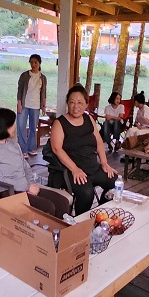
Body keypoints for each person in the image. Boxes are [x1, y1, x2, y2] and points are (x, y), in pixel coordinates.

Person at [0, 108, 72, 218]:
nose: (15, 127)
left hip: (26, 187)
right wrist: (27, 187)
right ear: (3, 127)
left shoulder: (14, 145)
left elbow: (26, 167)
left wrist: (31, 184)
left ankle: (61, 229)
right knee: (48, 207)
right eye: (12, 124)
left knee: (62, 202)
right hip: (8, 192)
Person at [50, 84, 118, 215]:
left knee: (115, 182)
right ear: (67, 103)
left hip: (92, 167)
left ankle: (101, 213)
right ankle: (80, 221)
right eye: (72, 102)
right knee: (87, 193)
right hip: (71, 170)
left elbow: (99, 141)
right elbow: (56, 148)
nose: (75, 106)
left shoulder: (88, 119)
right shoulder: (59, 123)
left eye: (80, 102)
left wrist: (104, 163)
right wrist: (74, 169)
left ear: (86, 104)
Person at [16, 54, 46, 157]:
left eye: (35, 62)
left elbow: (43, 93)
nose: (33, 64)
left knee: (33, 127)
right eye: (31, 62)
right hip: (24, 104)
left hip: (36, 106)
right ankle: (22, 149)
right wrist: (19, 103)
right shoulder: (24, 75)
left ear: (39, 63)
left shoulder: (43, 78)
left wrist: (43, 106)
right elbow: (20, 90)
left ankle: (31, 148)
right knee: (21, 126)